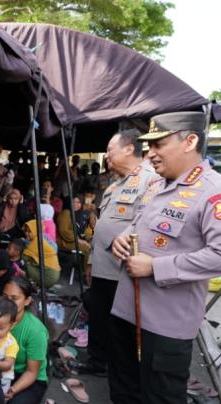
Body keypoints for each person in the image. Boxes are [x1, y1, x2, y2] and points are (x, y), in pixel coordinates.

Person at [83, 112, 221, 404]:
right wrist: (124, 237)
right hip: (128, 305)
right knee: (123, 370)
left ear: (189, 142)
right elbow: (139, 225)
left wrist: (159, 268)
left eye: (160, 144)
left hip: (167, 317)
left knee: (162, 389)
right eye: (149, 145)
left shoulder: (219, 193)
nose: (152, 153)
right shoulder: (158, 186)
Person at [77, 129, 156, 376]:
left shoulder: (150, 180)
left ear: (129, 149)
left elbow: (146, 227)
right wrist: (91, 261)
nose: (107, 156)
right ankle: (97, 361)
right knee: (98, 317)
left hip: (122, 270)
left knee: (117, 324)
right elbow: (101, 226)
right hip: (102, 266)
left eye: (111, 150)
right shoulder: (115, 185)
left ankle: (116, 369)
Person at [0, 277, 48, 404]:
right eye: (5, 297)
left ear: (27, 301)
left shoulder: (35, 330)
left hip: (28, 376)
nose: (8, 302)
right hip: (3, 368)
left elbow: (32, 372)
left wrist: (12, 390)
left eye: (14, 298)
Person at [22, 220, 61, 289]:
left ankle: (32, 285)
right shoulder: (42, 237)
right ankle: (36, 284)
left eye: (29, 231)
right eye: (26, 231)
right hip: (54, 273)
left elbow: (24, 257)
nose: (26, 233)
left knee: (25, 264)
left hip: (49, 276)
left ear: (35, 230)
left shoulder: (36, 242)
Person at [56, 196, 94, 262]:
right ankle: (85, 271)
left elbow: (82, 231)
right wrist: (79, 240)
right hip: (66, 242)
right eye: (73, 202)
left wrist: (90, 238)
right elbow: (64, 231)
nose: (75, 204)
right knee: (88, 249)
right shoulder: (66, 213)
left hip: (74, 240)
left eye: (78, 202)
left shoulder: (79, 214)